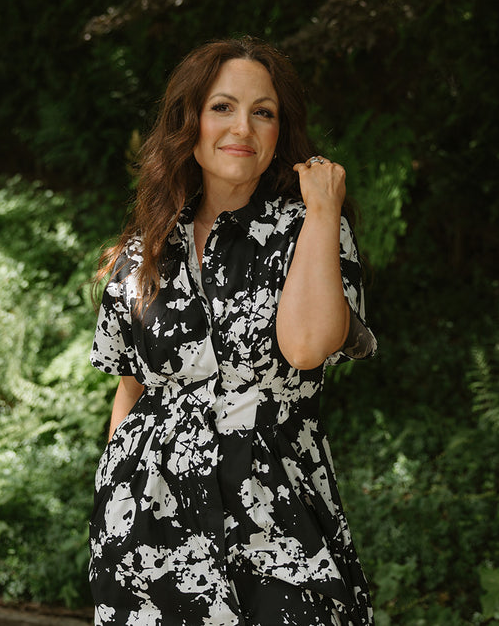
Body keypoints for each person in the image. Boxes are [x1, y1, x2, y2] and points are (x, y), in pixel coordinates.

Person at [90, 36, 377, 625]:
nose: (242, 127)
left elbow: (306, 347)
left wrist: (324, 209)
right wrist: (110, 503)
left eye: (262, 112)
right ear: (189, 121)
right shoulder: (143, 252)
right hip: (147, 528)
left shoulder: (308, 230)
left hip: (279, 520)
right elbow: (132, 390)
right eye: (222, 107)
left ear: (280, 131)